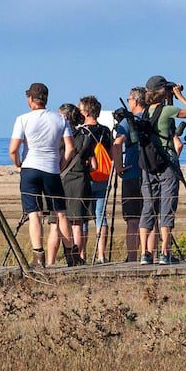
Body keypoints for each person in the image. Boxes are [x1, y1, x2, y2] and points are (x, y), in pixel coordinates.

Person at [9, 83, 75, 267]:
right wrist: (61, 164)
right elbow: (70, 148)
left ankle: (38, 256)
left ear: (30, 99)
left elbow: (13, 149)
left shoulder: (23, 119)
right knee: (60, 213)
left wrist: (18, 164)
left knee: (34, 214)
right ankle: (71, 254)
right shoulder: (60, 119)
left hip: (30, 167)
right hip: (51, 168)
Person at [139, 75, 186, 265]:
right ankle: (165, 251)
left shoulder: (145, 112)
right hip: (167, 163)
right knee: (167, 206)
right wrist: (179, 95)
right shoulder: (167, 110)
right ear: (163, 91)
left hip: (148, 165)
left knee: (148, 206)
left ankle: (145, 253)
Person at [111, 86, 147, 262]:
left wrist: (118, 167)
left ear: (135, 100)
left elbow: (117, 145)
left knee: (132, 219)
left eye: (129, 99)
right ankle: (149, 255)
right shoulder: (151, 118)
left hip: (132, 173)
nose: (128, 102)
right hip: (150, 173)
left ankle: (132, 257)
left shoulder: (127, 122)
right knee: (150, 218)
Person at [78, 96, 115, 264]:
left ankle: (82, 255)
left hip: (87, 176)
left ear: (86, 112)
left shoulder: (82, 132)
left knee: (84, 217)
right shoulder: (106, 131)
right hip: (103, 174)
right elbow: (112, 154)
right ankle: (101, 255)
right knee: (101, 215)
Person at [60, 103, 97, 264]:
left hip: (61, 180)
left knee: (58, 224)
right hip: (81, 181)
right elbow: (94, 165)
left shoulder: (59, 137)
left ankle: (50, 260)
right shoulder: (85, 138)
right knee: (78, 222)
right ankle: (78, 257)